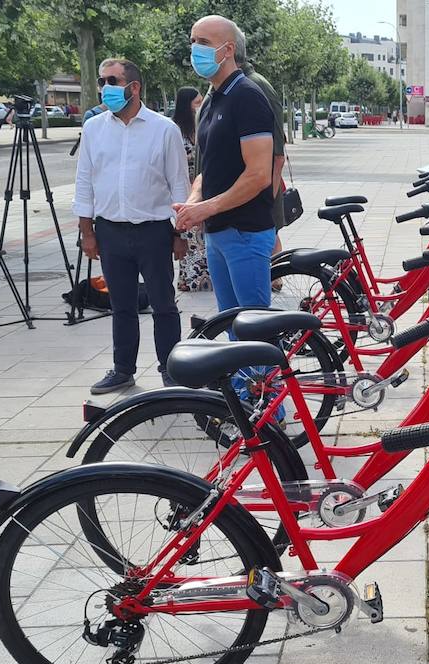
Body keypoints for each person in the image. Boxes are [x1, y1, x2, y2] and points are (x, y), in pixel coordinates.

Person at [73, 57, 190, 394]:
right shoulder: (94, 128)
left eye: (112, 80)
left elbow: (179, 186)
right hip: (110, 231)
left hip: (154, 231)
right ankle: (122, 369)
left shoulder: (164, 129)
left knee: (163, 304)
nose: (105, 88)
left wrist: (179, 233)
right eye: (101, 81)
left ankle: (171, 369)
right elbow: (85, 182)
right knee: (121, 305)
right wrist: (87, 232)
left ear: (134, 87)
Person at [175, 15, 276, 312]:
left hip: (244, 231)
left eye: (204, 43)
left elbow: (259, 175)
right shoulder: (210, 101)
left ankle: (264, 363)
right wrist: (192, 203)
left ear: (228, 50)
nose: (196, 50)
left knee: (254, 330)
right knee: (230, 323)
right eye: (193, 42)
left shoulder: (246, 96)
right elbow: (210, 168)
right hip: (217, 232)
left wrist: (207, 207)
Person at [235, 43, 288, 256]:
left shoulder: (254, 86)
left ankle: (274, 276)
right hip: (244, 196)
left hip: (258, 193)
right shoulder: (232, 86)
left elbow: (277, 155)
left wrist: (268, 200)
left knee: (267, 240)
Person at [171, 86, 209, 292]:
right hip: (184, 189)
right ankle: (189, 278)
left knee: (202, 237)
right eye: (197, 102)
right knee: (189, 235)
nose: (200, 106)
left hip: (203, 187)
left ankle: (205, 278)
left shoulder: (202, 125)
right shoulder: (174, 128)